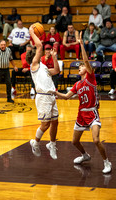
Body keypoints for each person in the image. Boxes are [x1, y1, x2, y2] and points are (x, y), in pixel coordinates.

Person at [56, 31, 112, 174]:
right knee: (74, 142)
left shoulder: (91, 79)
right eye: (79, 67)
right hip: (81, 114)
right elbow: (67, 97)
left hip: (92, 113)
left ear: (86, 70)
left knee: (96, 140)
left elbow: (86, 61)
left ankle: (107, 162)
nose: (79, 68)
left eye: (80, 67)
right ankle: (85, 155)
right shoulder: (77, 85)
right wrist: (53, 92)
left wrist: (81, 44)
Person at [27, 25, 60, 159]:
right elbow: (39, 45)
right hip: (43, 97)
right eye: (38, 53)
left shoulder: (43, 67)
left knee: (55, 122)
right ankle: (35, 142)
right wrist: (31, 32)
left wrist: (54, 57)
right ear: (34, 57)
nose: (40, 53)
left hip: (51, 96)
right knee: (45, 124)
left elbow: (56, 71)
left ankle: (52, 144)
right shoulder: (34, 65)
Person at [0, 40, 18, 104]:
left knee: (9, 83)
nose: (3, 46)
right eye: (1, 45)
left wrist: (14, 66)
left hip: (6, 69)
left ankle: (9, 98)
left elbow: (11, 59)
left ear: (6, 45)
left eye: (4, 45)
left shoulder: (8, 50)